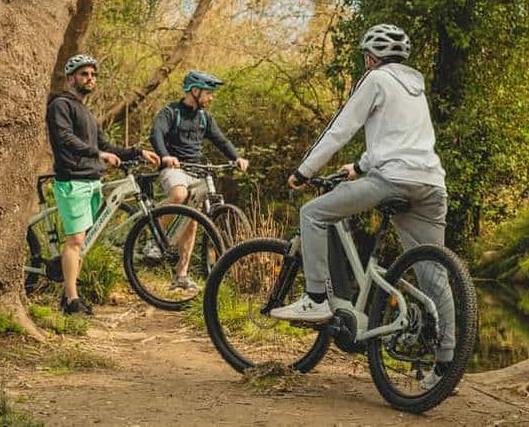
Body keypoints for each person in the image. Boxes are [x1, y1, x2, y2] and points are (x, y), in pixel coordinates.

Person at [270, 24, 454, 390]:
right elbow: (402, 140)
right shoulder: (415, 87)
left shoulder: (375, 79)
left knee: (313, 214)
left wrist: (304, 171)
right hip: (432, 185)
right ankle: (448, 364)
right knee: (434, 273)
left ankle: (316, 299)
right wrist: (358, 166)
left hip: (393, 180)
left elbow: (340, 129)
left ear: (371, 58)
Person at [47, 54, 160, 315]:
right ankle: (72, 301)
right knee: (75, 241)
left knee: (82, 243)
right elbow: (64, 139)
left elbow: (105, 146)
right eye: (84, 74)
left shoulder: (86, 112)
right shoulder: (60, 105)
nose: (90, 78)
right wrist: (98, 154)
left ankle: (67, 294)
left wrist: (137, 152)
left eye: (93, 75)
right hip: (72, 180)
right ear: (70, 78)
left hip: (92, 180)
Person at [149, 70, 249, 291]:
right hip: (174, 168)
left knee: (193, 220)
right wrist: (165, 156)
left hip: (196, 170)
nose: (210, 98)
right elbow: (156, 133)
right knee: (179, 194)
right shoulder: (171, 112)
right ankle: (154, 239)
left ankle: (181, 275)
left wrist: (236, 157)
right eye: (208, 93)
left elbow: (221, 140)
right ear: (194, 91)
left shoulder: (204, 118)